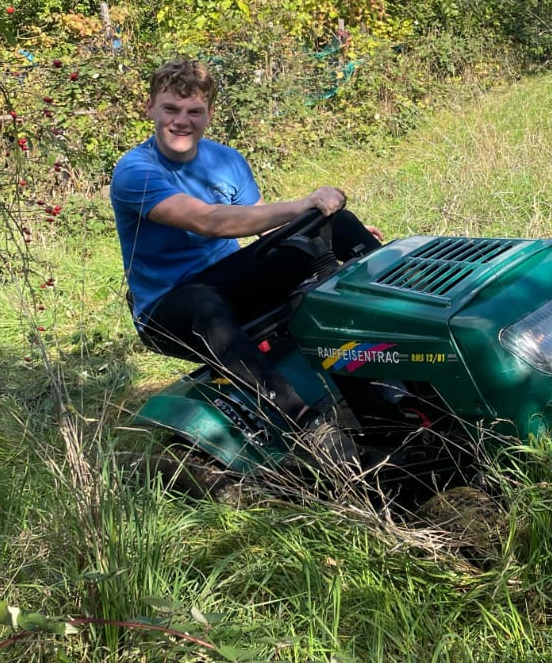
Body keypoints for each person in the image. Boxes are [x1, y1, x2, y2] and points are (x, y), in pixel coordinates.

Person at [110, 57, 381, 455]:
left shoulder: (226, 161)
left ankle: (398, 351)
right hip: (168, 307)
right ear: (150, 108)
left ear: (209, 115)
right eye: (170, 108)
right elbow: (210, 221)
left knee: (338, 224)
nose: (181, 121)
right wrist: (304, 204)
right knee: (202, 301)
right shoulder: (137, 171)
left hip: (227, 280)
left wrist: (320, 234)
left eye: (194, 112)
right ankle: (306, 425)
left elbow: (266, 230)